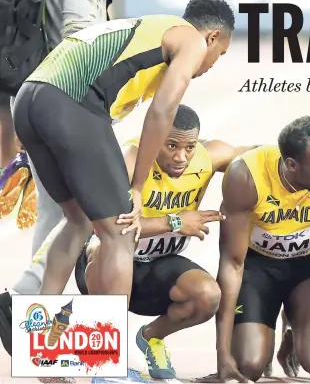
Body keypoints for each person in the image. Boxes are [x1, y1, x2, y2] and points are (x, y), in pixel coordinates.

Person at [10, 0, 235, 312]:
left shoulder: (148, 28)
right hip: (70, 100)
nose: (211, 65)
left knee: (77, 221)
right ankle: (110, 352)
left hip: (29, 98)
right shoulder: (191, 39)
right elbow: (162, 112)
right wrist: (139, 187)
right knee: (121, 231)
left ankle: (37, 328)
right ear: (211, 37)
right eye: (220, 54)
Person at [72, 104, 254, 379]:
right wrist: (176, 222)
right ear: (153, 139)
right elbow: (109, 228)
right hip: (109, 263)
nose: (181, 157)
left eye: (189, 147)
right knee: (102, 249)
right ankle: (105, 363)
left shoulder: (207, 157)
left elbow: (263, 157)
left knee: (208, 295)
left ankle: (151, 337)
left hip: (158, 265)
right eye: (170, 146)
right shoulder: (130, 160)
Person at [0, 0, 110, 357]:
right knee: (94, 215)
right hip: (67, 100)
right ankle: (21, 301)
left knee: (58, 217)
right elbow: (79, 40)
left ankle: (30, 311)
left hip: (37, 95)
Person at [211, 116, 310, 383]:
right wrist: (223, 358)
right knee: (247, 366)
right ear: (292, 165)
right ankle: (271, 325)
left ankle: (295, 326)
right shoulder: (246, 175)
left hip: (307, 267)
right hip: (258, 267)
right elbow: (232, 264)